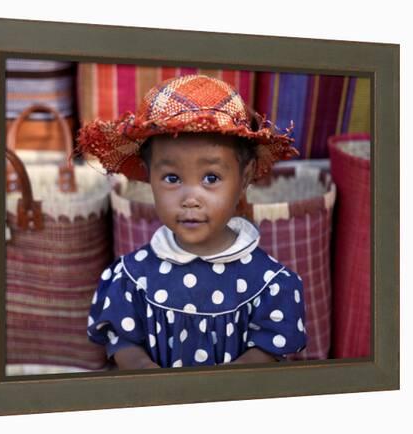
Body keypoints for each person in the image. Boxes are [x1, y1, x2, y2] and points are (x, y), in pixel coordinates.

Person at [76, 74, 306, 369]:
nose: (190, 198)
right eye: (172, 178)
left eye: (211, 178)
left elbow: (269, 348)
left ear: (245, 177)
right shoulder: (132, 278)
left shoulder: (269, 283)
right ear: (149, 176)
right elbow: (122, 341)